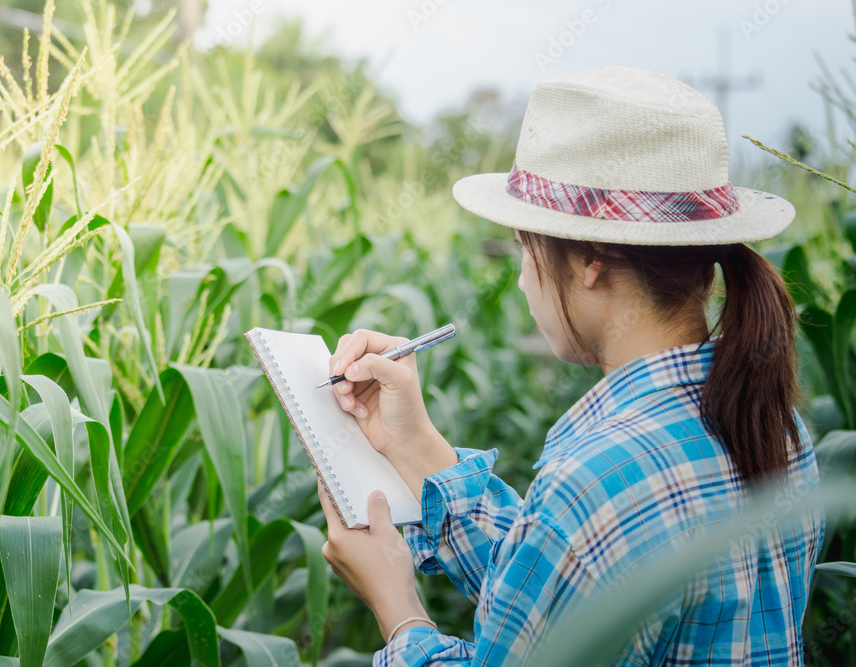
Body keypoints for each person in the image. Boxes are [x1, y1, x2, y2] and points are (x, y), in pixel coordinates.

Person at [315, 66, 825, 665]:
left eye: (523, 247)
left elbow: (572, 551)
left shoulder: (594, 486)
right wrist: (414, 444)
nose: (525, 280)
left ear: (588, 259)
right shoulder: (778, 432)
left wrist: (398, 608)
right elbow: (560, 588)